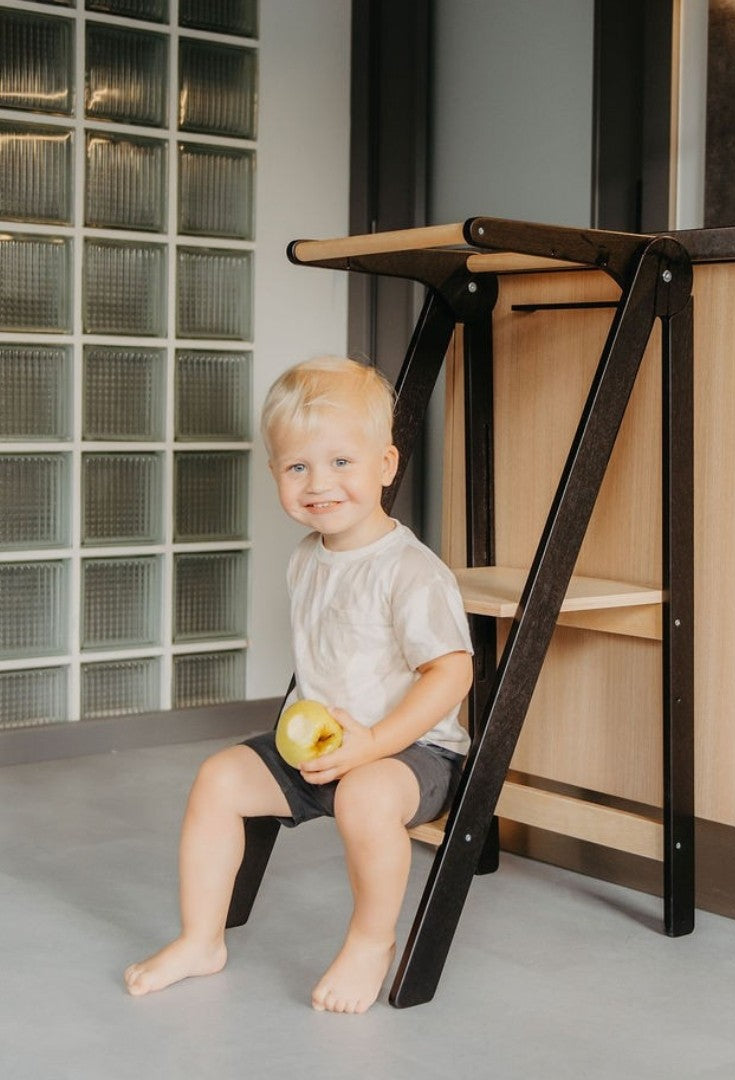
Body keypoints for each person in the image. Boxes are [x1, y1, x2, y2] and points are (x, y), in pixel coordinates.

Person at [124, 356, 473, 1014]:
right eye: (298, 467)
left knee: (365, 799)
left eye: (342, 462)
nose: (320, 484)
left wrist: (374, 743)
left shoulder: (409, 571)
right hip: (321, 741)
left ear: (386, 466)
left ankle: (371, 942)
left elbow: (453, 672)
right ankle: (202, 939)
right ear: (276, 475)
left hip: (411, 752)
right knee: (217, 780)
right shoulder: (308, 557)